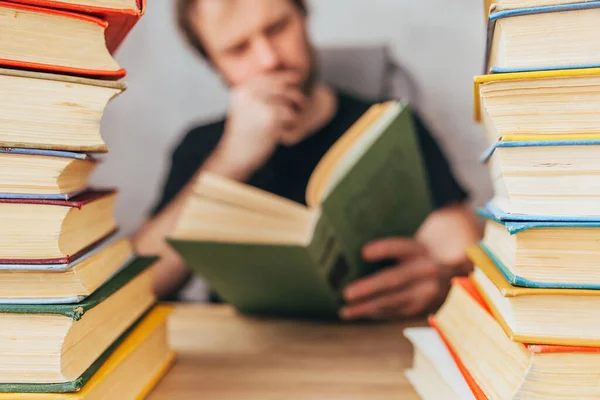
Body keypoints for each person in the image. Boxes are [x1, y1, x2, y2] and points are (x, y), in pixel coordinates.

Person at [133, 0, 481, 320]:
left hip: (367, 345)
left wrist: (440, 282)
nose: (269, 59)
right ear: (215, 65)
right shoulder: (201, 147)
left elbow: (466, 264)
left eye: (277, 28)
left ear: (302, 16)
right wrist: (230, 159)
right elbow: (140, 286)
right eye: (239, 49)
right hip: (239, 356)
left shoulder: (388, 125)